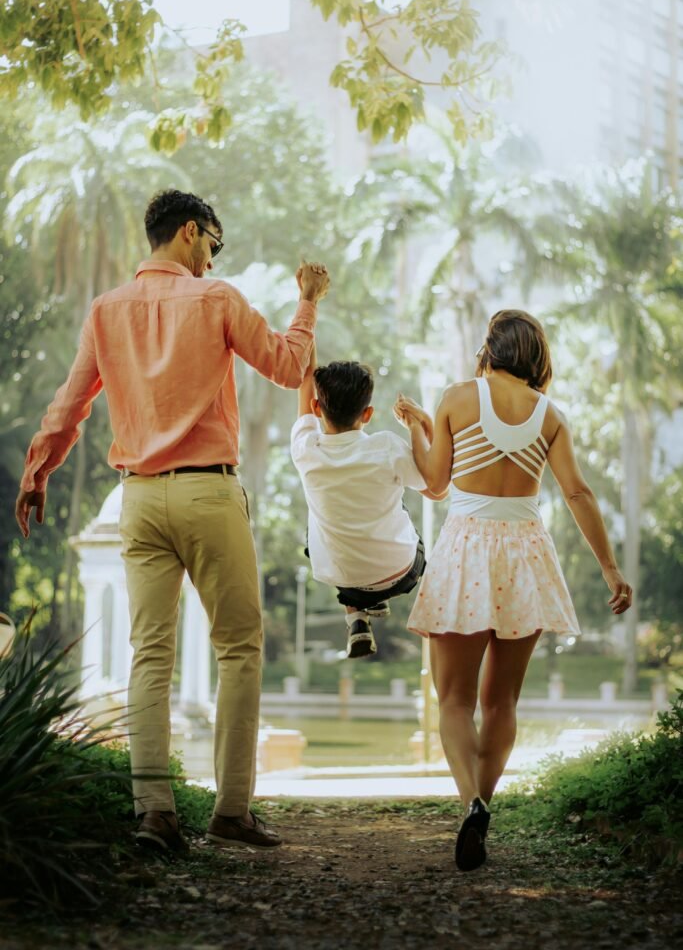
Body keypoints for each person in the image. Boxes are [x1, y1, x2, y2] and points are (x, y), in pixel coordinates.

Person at [15, 189, 330, 855]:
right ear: (190, 232)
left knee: (148, 654)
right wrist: (307, 301)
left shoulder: (105, 310)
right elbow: (288, 366)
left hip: (137, 499)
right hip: (207, 495)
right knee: (239, 649)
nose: (214, 258)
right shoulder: (215, 300)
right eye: (214, 243)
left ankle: (154, 813)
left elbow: (70, 402)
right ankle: (231, 811)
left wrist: (37, 469)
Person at [394, 309, 632, 873]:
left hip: (466, 549)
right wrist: (610, 569)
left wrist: (422, 428)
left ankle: (470, 802)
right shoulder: (550, 415)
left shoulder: (458, 397)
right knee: (501, 702)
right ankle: (486, 806)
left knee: (452, 699)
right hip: (525, 553)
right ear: (536, 356)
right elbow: (577, 493)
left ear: (489, 350)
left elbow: (434, 483)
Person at [291, 349, 445, 658]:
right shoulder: (386, 446)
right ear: (368, 414)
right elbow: (435, 489)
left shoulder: (306, 449)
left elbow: (306, 380)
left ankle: (356, 615)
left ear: (316, 408)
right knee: (394, 512)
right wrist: (416, 425)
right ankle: (369, 603)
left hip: (344, 578)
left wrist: (308, 309)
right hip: (402, 573)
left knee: (320, 529)